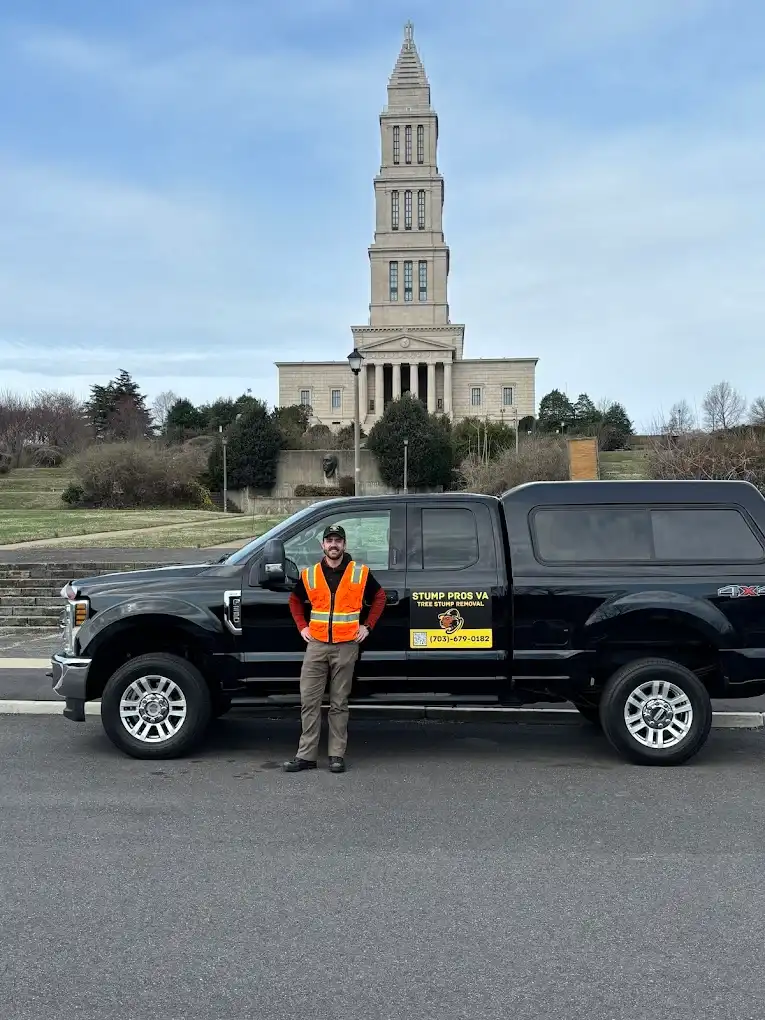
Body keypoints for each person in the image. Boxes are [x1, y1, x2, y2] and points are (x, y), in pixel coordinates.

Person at [282, 523, 387, 774]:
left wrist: (368, 627)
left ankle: (336, 755)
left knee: (339, 703)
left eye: (337, 540)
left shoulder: (359, 573)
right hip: (316, 645)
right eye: (329, 540)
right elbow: (295, 600)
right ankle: (306, 756)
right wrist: (301, 627)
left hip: (346, 646)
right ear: (323, 545)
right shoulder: (310, 574)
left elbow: (380, 597)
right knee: (309, 701)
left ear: (344, 545)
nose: (333, 544)